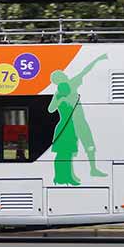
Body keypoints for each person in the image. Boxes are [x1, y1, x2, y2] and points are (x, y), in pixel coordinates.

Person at [48, 54, 108, 185]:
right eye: (61, 77)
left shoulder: (72, 85)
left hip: (79, 122)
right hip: (68, 124)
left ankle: (92, 169)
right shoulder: (60, 93)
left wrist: (97, 59)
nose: (65, 77)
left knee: (88, 144)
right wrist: (60, 100)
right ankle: (65, 176)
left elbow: (84, 71)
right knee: (66, 151)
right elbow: (51, 109)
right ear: (58, 81)